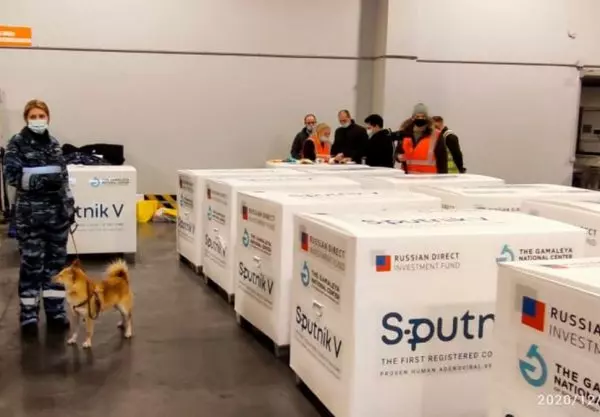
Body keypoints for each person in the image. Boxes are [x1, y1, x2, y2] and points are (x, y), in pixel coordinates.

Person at [3, 99, 75, 336]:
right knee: (31, 266)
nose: (37, 120)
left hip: (57, 217)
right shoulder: (17, 144)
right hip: (30, 218)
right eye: (33, 116)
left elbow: (63, 179)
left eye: (41, 116)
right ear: (26, 119)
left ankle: (55, 312)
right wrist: (42, 181)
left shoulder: (54, 144)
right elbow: (11, 176)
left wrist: (70, 205)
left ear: (48, 118)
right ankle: (29, 315)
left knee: (56, 266)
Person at [395, 103, 448, 174]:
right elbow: (397, 153)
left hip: (428, 178)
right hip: (408, 177)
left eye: (423, 116)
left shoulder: (436, 135)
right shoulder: (405, 133)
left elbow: (442, 161)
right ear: (413, 117)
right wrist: (399, 157)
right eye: (417, 116)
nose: (420, 119)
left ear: (427, 118)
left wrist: (443, 178)